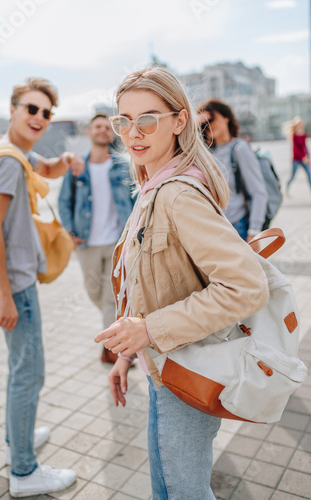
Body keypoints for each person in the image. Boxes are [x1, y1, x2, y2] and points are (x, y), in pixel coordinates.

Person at [94, 66, 269, 500]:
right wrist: (129, 354)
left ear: (179, 121)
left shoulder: (177, 193)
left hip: (188, 373)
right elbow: (151, 283)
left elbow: (246, 287)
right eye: (124, 121)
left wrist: (149, 331)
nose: (134, 132)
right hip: (164, 369)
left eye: (148, 118)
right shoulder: (154, 185)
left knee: (181, 493)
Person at [0, 77, 84, 497]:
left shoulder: (15, 153)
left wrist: (68, 159)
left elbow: (48, 167)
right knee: (29, 373)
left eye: (46, 112)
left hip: (17, 283)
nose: (40, 117)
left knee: (25, 370)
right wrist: (4, 294)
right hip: (16, 286)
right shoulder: (6, 161)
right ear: (13, 110)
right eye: (32, 109)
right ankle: (23, 471)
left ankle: (16, 436)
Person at [58, 113, 135, 364]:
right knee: (95, 294)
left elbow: (136, 201)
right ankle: (115, 341)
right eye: (97, 127)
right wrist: (70, 232)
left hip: (118, 242)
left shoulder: (124, 165)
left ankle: (113, 349)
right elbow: (64, 202)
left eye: (107, 127)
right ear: (89, 133)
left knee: (112, 297)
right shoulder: (78, 167)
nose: (103, 131)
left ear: (111, 134)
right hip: (87, 242)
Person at [197, 99, 268, 241]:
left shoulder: (239, 148)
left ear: (226, 117)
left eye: (212, 118)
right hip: (212, 228)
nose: (209, 125)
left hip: (237, 226)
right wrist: (194, 123)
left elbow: (258, 192)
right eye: (205, 122)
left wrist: (254, 232)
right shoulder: (206, 152)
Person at [284, 116, 311, 195]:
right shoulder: (294, 135)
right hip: (296, 159)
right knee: (293, 176)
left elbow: (305, 147)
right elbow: (295, 150)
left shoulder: (303, 134)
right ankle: (287, 188)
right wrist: (303, 157)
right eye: (299, 124)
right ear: (296, 125)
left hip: (304, 159)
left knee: (309, 176)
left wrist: (308, 157)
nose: (300, 125)